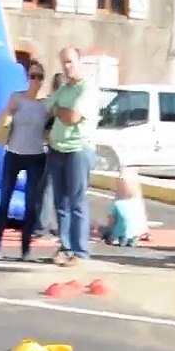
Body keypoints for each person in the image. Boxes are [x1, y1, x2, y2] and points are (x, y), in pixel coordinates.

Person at [0, 61, 49, 261]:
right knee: (4, 200)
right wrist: (6, 114)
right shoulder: (17, 98)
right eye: (32, 76)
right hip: (14, 153)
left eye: (39, 77)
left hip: (36, 155)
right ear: (27, 78)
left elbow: (51, 128)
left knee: (31, 203)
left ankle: (25, 249)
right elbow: (3, 118)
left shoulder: (47, 104)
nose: (35, 80)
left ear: (43, 80)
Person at [46, 47, 101, 267]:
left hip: (78, 149)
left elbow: (73, 116)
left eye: (70, 62)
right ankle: (65, 247)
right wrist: (59, 109)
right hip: (57, 148)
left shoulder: (87, 88)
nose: (67, 67)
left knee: (77, 202)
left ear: (80, 61)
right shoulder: (64, 89)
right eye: (64, 63)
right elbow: (49, 105)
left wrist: (59, 109)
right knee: (61, 202)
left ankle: (80, 251)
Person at [99, 168, 148, 247]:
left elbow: (111, 222)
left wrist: (108, 232)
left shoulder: (117, 204)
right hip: (135, 233)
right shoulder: (135, 204)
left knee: (104, 229)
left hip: (121, 233)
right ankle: (132, 238)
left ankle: (117, 237)